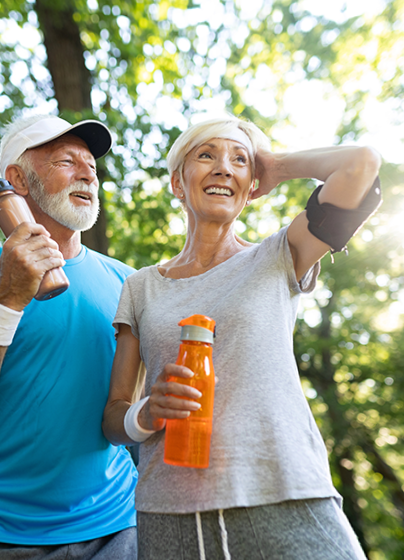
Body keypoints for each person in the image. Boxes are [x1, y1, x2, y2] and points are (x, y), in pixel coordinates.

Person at [102, 115, 382, 559]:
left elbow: (361, 164)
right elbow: (113, 418)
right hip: (172, 513)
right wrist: (147, 412)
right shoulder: (141, 286)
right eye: (206, 155)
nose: (222, 167)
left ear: (252, 185)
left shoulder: (281, 255)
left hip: (286, 492)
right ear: (178, 183)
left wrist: (274, 166)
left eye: (238, 160)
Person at [0, 114, 138, 559]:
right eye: (66, 162)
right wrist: (10, 296)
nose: (87, 174)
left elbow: (139, 411)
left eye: (91, 167)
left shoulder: (130, 283)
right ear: (16, 179)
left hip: (119, 530)